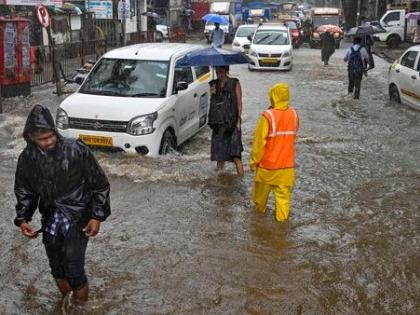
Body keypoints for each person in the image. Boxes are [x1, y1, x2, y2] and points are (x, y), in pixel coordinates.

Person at [14, 105, 111, 308]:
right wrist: (23, 218)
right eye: (42, 139)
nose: (48, 141)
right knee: (57, 270)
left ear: (55, 132)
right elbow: (25, 190)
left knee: (75, 271)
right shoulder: (27, 158)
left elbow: (99, 185)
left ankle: (80, 309)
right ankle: (69, 306)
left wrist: (97, 216)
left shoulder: (76, 149)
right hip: (50, 218)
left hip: (77, 217)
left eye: (51, 136)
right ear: (31, 137)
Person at [250, 83, 299, 222]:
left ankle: (258, 229)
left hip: (267, 168)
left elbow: (259, 143)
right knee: (283, 205)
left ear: (273, 96)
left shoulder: (268, 116)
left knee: (259, 204)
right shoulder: (294, 114)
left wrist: (254, 163)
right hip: (287, 169)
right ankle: (282, 233)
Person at [208, 65, 244, 175]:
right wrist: (213, 93)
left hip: (232, 124)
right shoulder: (213, 84)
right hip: (218, 125)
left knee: (236, 156)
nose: (219, 74)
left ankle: (241, 181)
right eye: (217, 72)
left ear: (227, 71)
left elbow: (239, 103)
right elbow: (214, 105)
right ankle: (221, 180)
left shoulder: (235, 83)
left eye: (222, 72)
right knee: (220, 157)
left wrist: (238, 121)